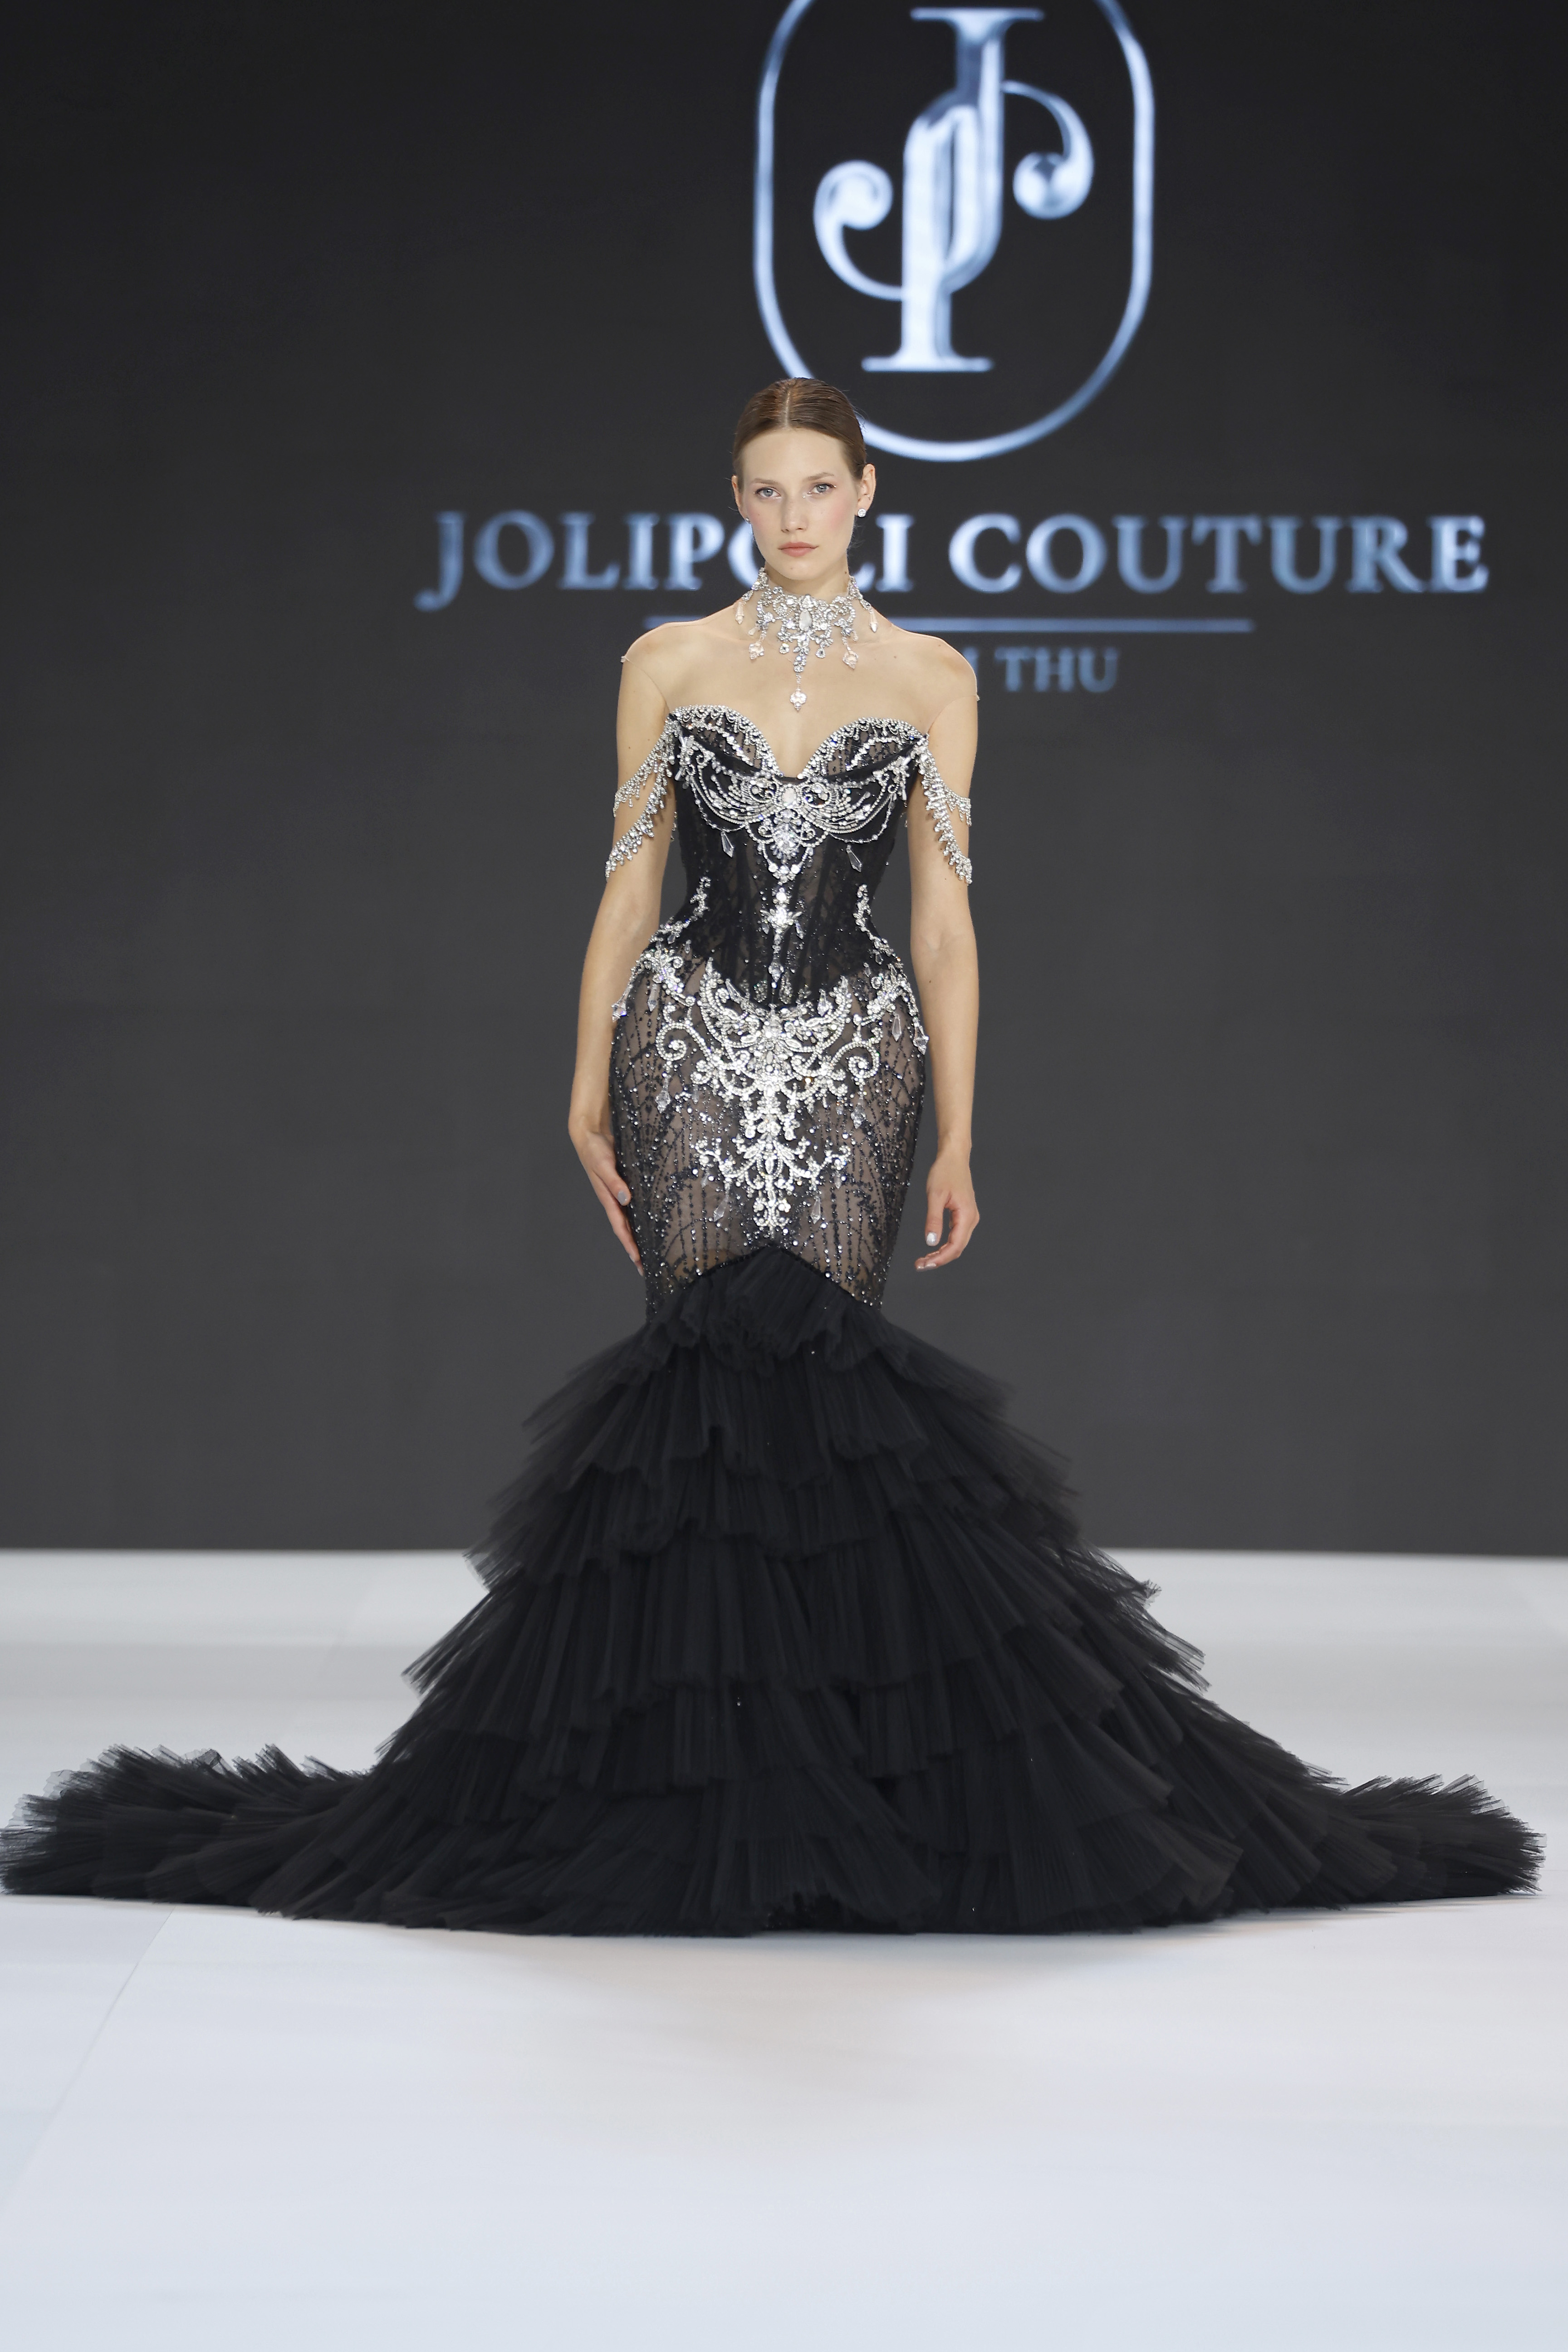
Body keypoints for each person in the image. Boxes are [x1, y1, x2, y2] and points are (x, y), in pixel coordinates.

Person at [3, 379, 1539, 1933]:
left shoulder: (934, 675)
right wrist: (586, 1076)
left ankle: (846, 1787)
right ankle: (689, 1797)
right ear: (735, 500)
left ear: (867, 492)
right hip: (687, 1039)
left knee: (825, 1382)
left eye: (818, 485)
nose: (792, 514)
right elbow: (628, 885)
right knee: (700, 1383)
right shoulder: (666, 662)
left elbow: (944, 923)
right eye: (764, 488)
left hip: (858, 1054)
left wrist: (961, 1129)